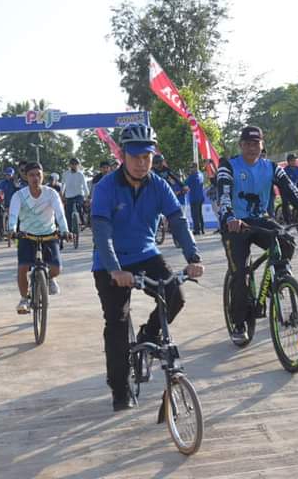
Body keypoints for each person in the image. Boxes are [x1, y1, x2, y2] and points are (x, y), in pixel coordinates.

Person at [91, 122, 204, 412]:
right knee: (116, 322)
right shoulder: (106, 188)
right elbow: (102, 234)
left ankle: (148, 335)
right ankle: (119, 388)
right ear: (123, 156)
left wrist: (193, 257)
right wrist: (115, 270)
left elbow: (177, 221)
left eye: (147, 157)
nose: (142, 163)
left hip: (145, 254)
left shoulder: (158, 184)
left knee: (175, 297)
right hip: (109, 262)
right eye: (136, 156)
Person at [218, 126, 298, 343]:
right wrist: (229, 217)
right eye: (247, 143)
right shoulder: (228, 166)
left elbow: (290, 189)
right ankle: (239, 323)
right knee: (240, 275)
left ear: (262, 145)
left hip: (261, 220)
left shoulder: (271, 167)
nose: (251, 148)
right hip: (235, 224)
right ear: (241, 145)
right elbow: (224, 193)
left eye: (256, 143)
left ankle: (276, 285)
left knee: (286, 241)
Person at [8, 162, 72, 313]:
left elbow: (60, 213)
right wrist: (12, 229)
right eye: (31, 175)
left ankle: (49, 279)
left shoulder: (51, 193)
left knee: (56, 269)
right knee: (23, 268)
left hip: (49, 235)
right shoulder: (19, 195)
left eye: (38, 175)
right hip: (26, 236)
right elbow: (13, 214)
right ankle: (24, 299)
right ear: (26, 177)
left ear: (43, 176)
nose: (35, 178)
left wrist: (65, 230)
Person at [62, 158, 89, 226]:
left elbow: (85, 186)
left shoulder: (81, 175)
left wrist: (87, 196)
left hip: (79, 195)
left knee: (79, 207)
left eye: (76, 164)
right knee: (68, 213)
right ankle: (69, 229)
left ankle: (83, 222)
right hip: (69, 196)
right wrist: (62, 195)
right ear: (70, 165)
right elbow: (63, 185)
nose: (74, 166)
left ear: (78, 165)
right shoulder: (65, 174)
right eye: (72, 164)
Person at [186, 162, 205, 235]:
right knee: (199, 214)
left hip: (194, 198)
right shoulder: (201, 174)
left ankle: (197, 230)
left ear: (195, 167)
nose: (190, 169)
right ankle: (202, 229)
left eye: (191, 167)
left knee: (195, 215)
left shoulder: (192, 176)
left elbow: (185, 183)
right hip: (200, 197)